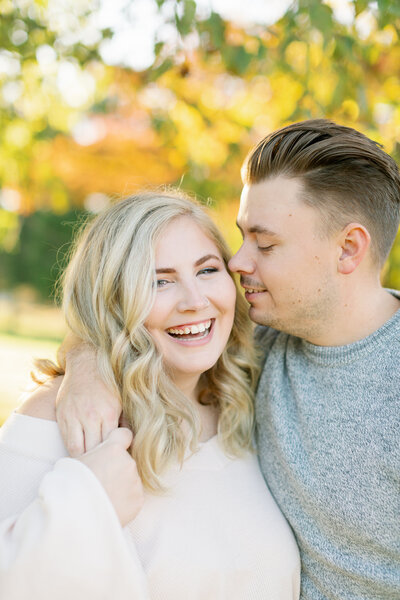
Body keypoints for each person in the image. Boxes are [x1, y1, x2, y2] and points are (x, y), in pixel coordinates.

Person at [57, 120, 400, 600]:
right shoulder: (256, 346)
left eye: (266, 243)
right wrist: (88, 363)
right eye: (242, 237)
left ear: (347, 249)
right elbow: (138, 322)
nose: (237, 262)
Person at [0, 191, 300, 600]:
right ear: (113, 299)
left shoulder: (246, 399)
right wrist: (86, 505)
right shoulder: (63, 419)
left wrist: (84, 354)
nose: (196, 302)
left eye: (207, 270)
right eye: (159, 281)